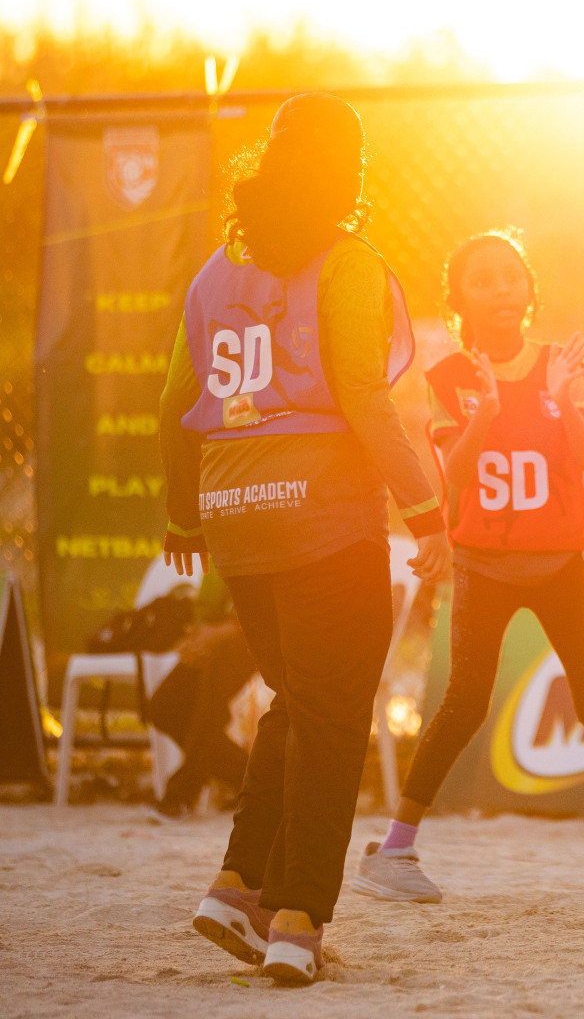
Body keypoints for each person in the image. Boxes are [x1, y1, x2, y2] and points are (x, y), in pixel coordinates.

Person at [160, 92, 452, 983]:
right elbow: (365, 398)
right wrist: (426, 510)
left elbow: (174, 406)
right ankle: (299, 921)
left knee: (299, 700)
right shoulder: (348, 260)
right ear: (350, 171)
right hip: (326, 520)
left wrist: (182, 516)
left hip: (238, 520)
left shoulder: (217, 269)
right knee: (332, 717)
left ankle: (235, 884)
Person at [349, 231, 584, 903]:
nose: (501, 289)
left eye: (511, 277)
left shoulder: (562, 363)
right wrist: (487, 413)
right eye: (484, 280)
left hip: (558, 561)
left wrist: (560, 399)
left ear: (529, 288)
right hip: (485, 562)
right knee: (465, 700)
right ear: (460, 299)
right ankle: (395, 850)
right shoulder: (449, 377)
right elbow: (454, 475)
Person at [146, 570, 257, 822]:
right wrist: (197, 635)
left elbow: (272, 607)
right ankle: (257, 781)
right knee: (164, 705)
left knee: (211, 690)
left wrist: (223, 632)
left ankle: (182, 793)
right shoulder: (220, 534)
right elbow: (210, 593)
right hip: (217, 632)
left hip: (260, 632)